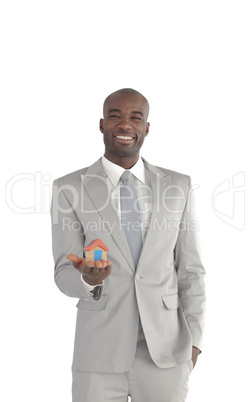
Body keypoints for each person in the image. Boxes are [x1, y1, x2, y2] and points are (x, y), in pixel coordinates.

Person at [50, 88, 206, 402]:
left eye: (136, 117)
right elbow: (63, 271)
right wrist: (87, 280)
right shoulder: (68, 188)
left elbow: (190, 270)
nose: (125, 125)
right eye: (115, 116)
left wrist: (196, 341)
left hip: (166, 353)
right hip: (99, 354)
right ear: (101, 125)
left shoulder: (178, 185)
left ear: (146, 128)